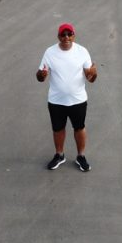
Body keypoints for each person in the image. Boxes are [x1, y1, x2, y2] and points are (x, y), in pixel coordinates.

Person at [37, 22, 97, 172]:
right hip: (56, 100)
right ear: (58, 36)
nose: (66, 37)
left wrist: (93, 74)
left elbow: (90, 78)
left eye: (69, 34)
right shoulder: (50, 52)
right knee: (58, 129)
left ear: (74, 36)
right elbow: (40, 77)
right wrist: (41, 75)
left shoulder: (82, 52)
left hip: (78, 100)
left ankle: (81, 156)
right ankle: (59, 155)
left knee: (79, 128)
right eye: (63, 35)